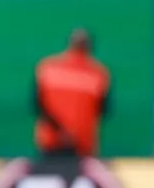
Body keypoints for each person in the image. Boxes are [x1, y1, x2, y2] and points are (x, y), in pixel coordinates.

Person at [33, 29, 111, 159]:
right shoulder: (98, 73)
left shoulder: (48, 67)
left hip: (52, 141)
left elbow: (38, 105)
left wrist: (60, 131)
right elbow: (103, 110)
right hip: (82, 143)